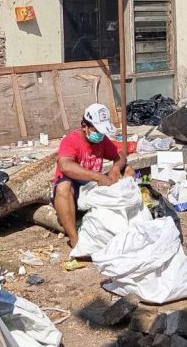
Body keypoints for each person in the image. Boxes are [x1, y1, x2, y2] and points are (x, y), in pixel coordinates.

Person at [51, 103, 131, 249]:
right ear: (84, 126)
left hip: (90, 188)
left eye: (102, 132)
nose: (100, 136)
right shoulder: (71, 140)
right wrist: (98, 177)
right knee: (64, 187)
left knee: (127, 170)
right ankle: (75, 240)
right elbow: (65, 166)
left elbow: (121, 155)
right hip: (72, 191)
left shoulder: (101, 140)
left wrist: (115, 169)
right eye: (96, 131)